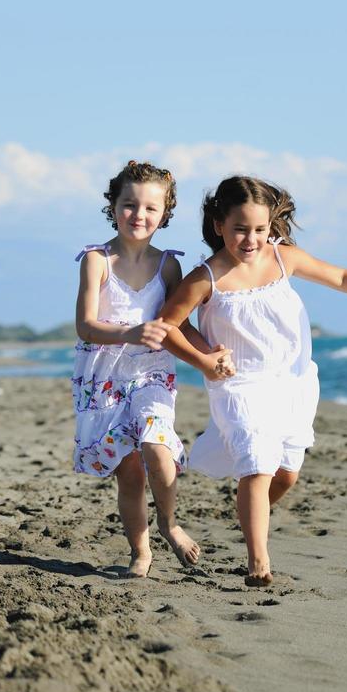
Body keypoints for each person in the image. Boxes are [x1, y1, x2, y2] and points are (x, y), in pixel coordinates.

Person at [157, 176, 347, 586]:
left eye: (260, 230)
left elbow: (340, 277)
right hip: (238, 385)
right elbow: (168, 325)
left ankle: (250, 511)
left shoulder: (283, 259)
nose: (251, 240)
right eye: (240, 230)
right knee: (258, 464)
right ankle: (258, 562)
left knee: (285, 475)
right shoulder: (206, 277)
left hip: (291, 382)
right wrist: (204, 359)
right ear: (219, 226)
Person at [73, 161, 235, 578]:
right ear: (113, 205)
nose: (139, 215)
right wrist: (129, 332)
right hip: (104, 378)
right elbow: (85, 326)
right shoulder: (96, 260)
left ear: (165, 213)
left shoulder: (168, 266)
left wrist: (208, 354)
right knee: (128, 474)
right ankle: (139, 550)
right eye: (129, 205)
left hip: (153, 375)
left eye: (150, 208)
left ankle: (169, 522)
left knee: (158, 447)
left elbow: (177, 325)